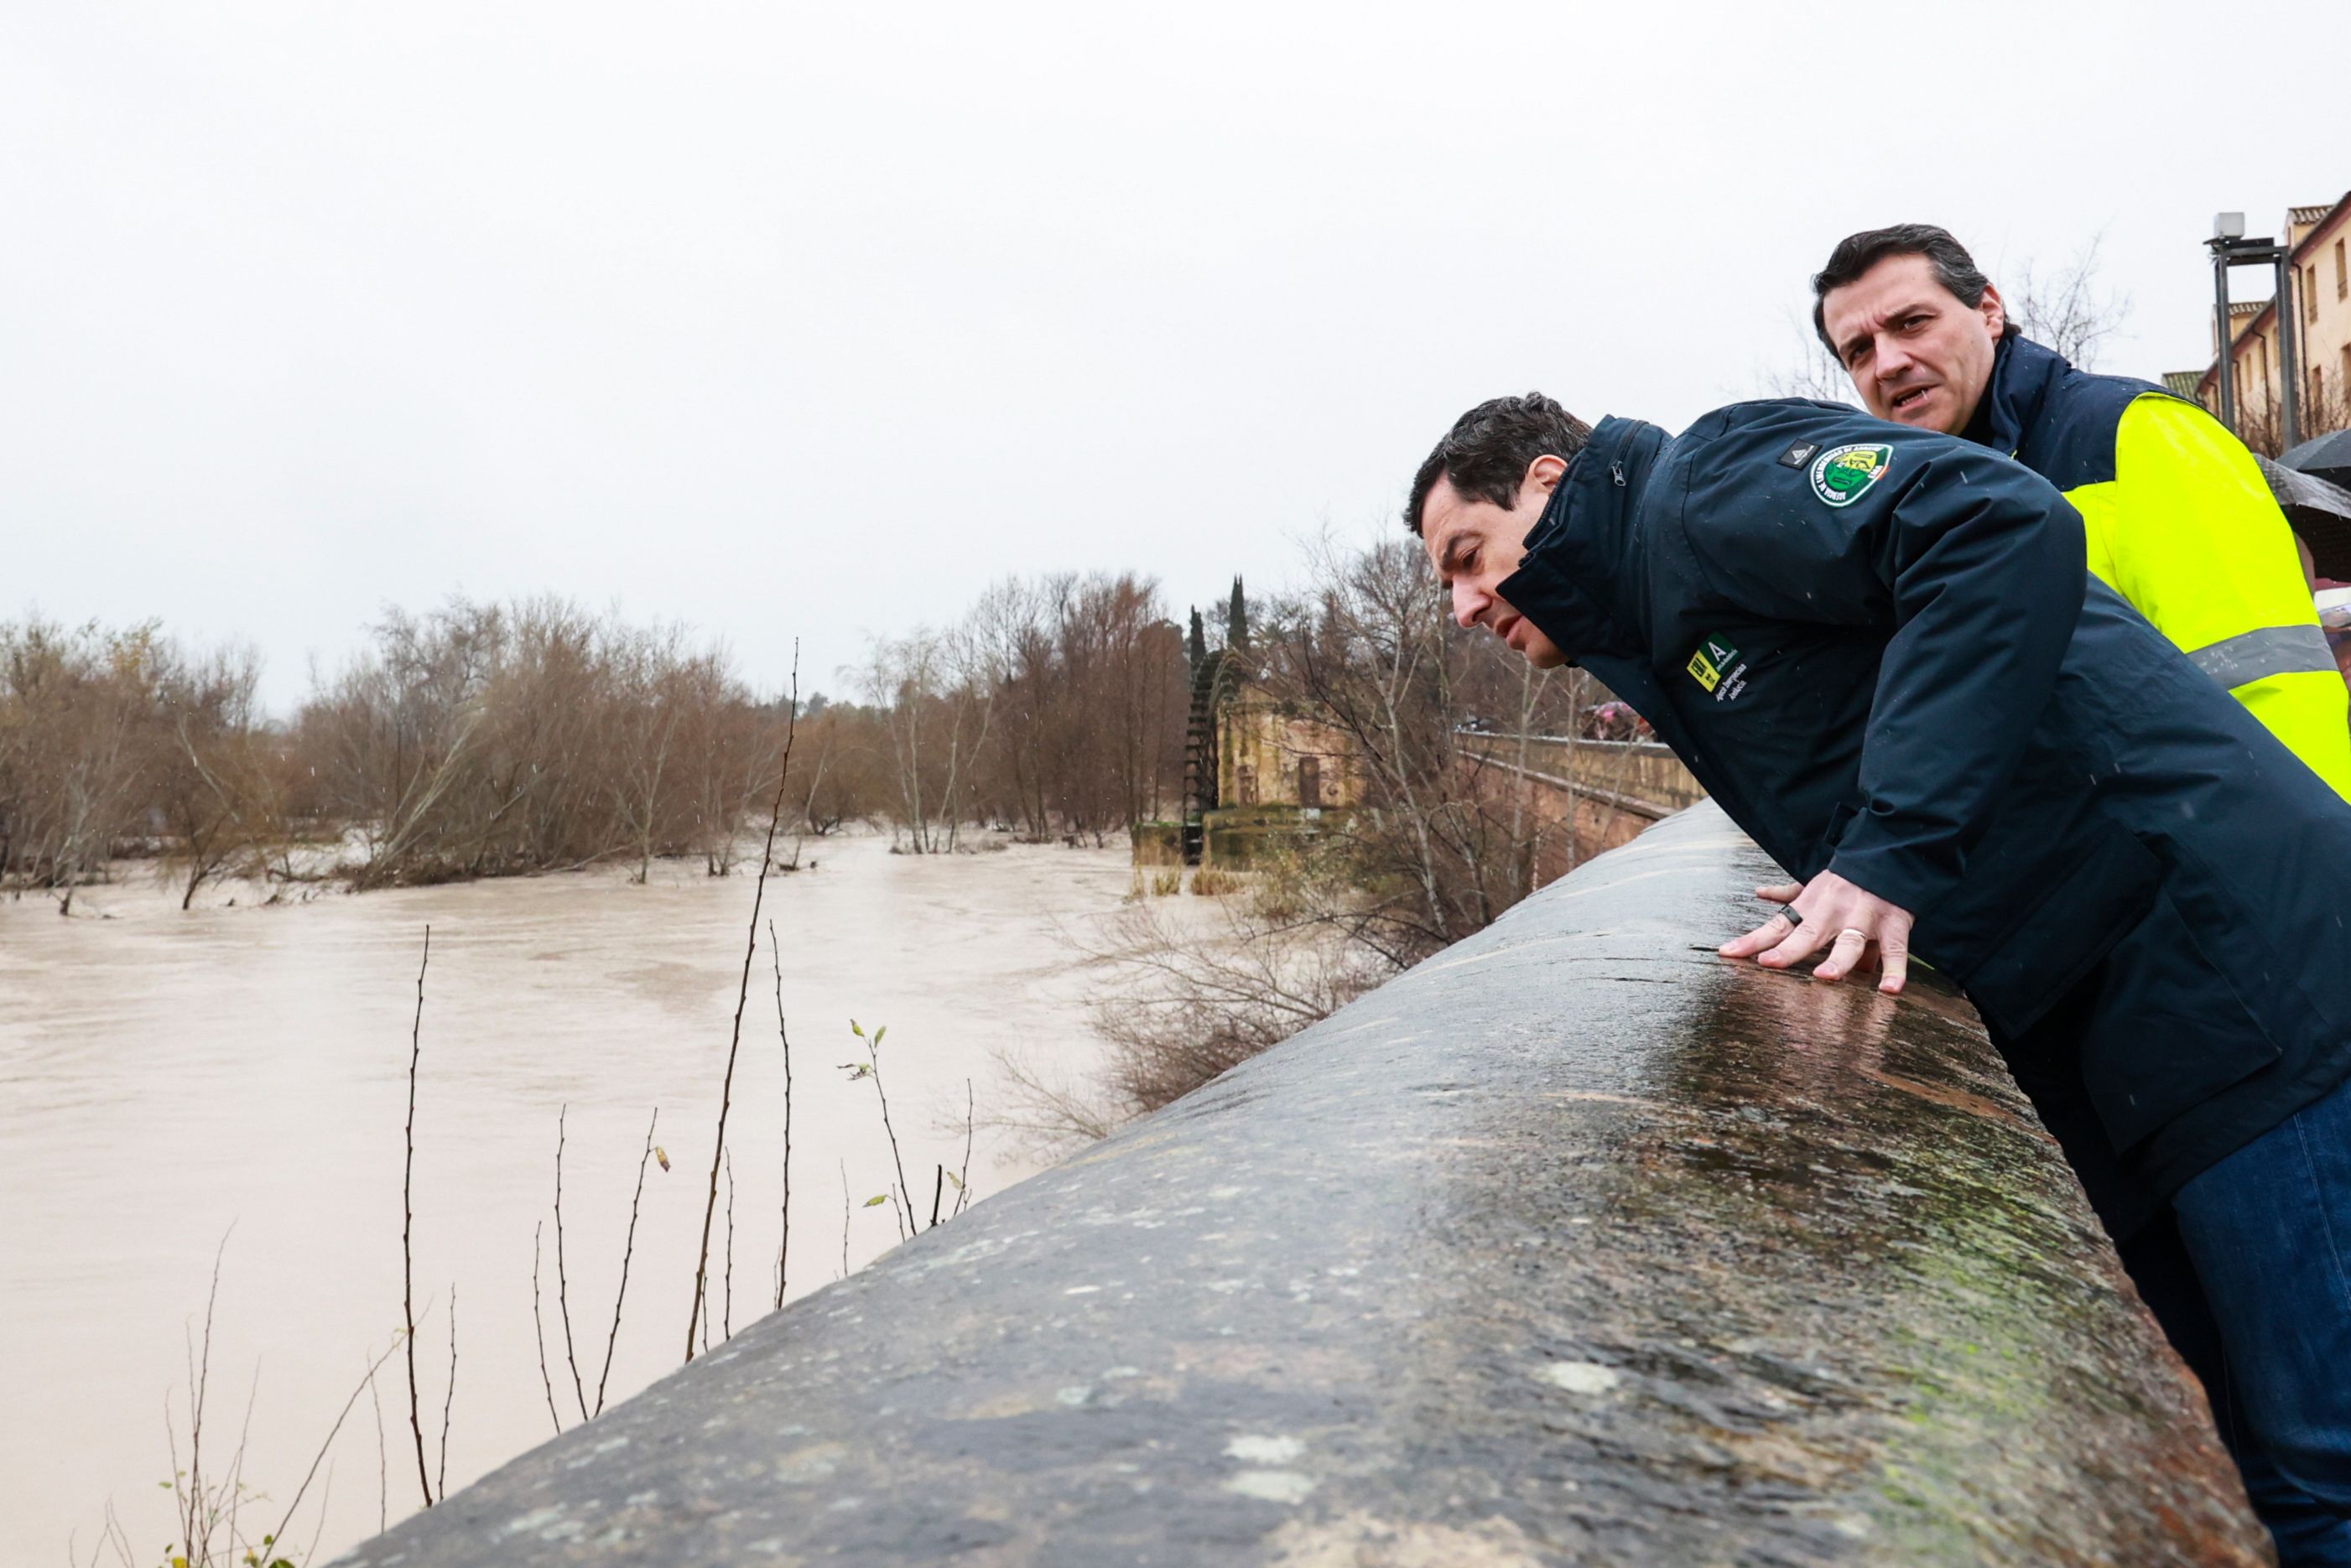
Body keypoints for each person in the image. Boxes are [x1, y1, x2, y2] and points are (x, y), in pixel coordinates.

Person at [1407, 390, 2351, 1561]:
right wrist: (1836, 864)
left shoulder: (1703, 488)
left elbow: (1996, 525)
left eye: (1463, 558)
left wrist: (1886, 853)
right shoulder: (1654, 606)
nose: (1458, 605)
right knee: (2233, 1453)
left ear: (1545, 485)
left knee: (2322, 1457)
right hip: (2137, 1015)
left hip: (2240, 969)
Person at [1810, 223, 2351, 802]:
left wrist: (2311, 868)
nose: (1887, 362)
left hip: (2206, 863)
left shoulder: (2133, 434)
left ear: (1988, 310)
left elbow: (2267, 680)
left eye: (1911, 323)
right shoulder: (1918, 508)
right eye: (1859, 351)